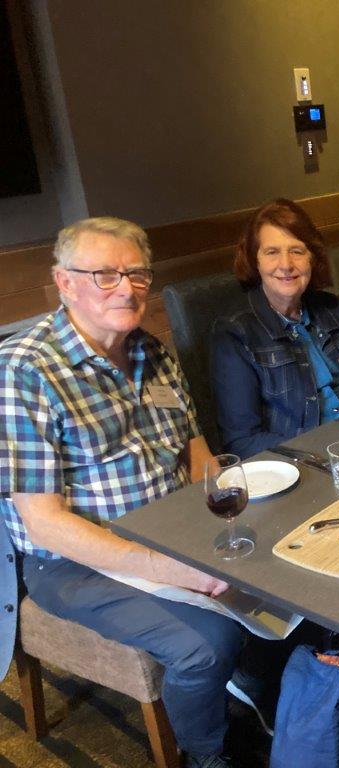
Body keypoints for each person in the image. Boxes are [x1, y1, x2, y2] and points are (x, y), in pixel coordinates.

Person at [0, 218, 241, 768]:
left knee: (284, 580)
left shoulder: (150, 350)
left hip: (170, 523)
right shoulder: (24, 370)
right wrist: (172, 568)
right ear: (64, 282)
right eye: (104, 274)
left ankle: (268, 697)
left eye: (136, 274)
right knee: (206, 648)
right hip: (71, 561)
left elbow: (194, 447)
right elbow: (44, 524)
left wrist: (224, 509)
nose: (126, 288)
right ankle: (207, 755)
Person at [210, 198, 339, 459]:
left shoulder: (334, 309)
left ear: (312, 257)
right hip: (307, 463)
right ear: (255, 261)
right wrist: (321, 449)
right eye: (272, 252)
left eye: (297, 251)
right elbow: (242, 442)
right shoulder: (235, 334)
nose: (286, 264)